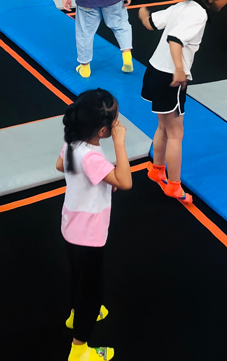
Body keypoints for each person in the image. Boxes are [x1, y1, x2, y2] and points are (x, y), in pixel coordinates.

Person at [139, 0, 227, 203]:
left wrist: (143, 14)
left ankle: (157, 169)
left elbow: (151, 23)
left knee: (163, 127)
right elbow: (174, 39)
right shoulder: (198, 14)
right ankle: (174, 185)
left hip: (154, 71)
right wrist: (180, 70)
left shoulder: (182, 6)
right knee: (175, 134)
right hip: (169, 77)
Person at [55, 89, 131, 361]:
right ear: (102, 131)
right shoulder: (92, 157)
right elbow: (125, 181)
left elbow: (60, 165)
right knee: (92, 291)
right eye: (115, 120)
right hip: (89, 235)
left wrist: (99, 180)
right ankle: (79, 350)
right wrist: (120, 144)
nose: (118, 123)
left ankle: (75, 313)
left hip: (71, 226)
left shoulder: (73, 141)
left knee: (79, 276)